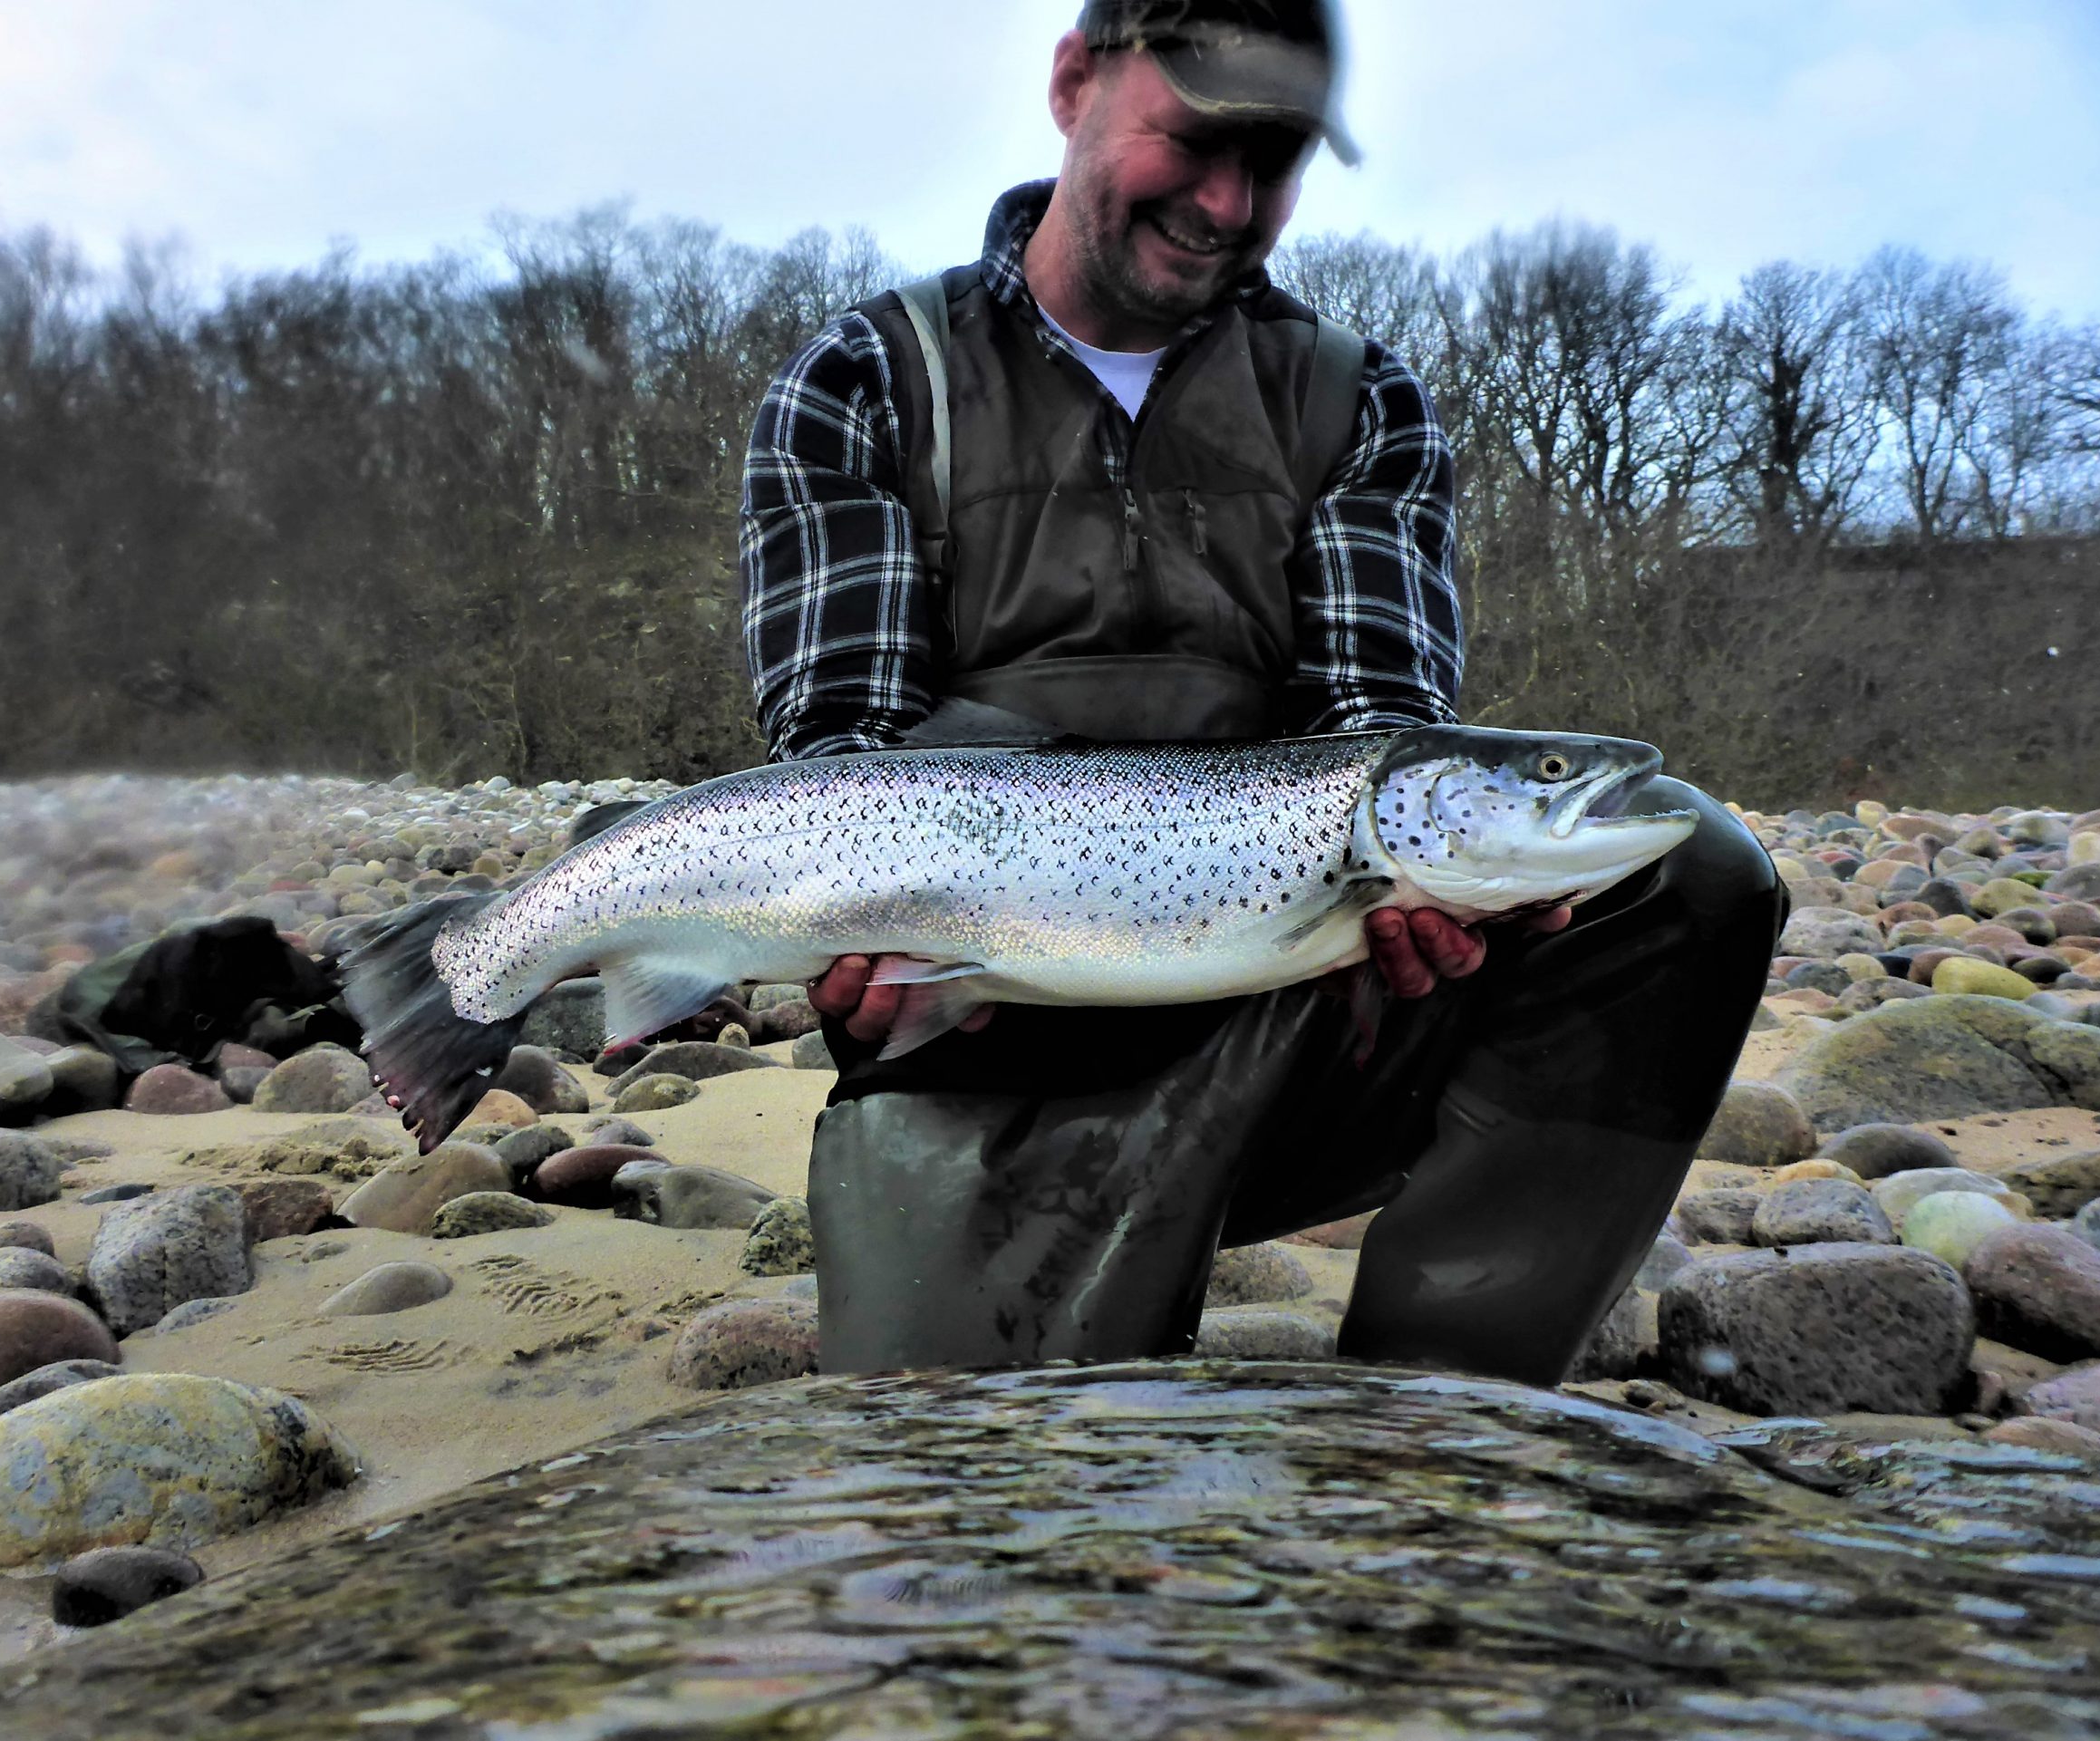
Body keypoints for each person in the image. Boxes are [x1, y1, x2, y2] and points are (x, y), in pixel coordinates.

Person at [739, 0, 1781, 1386]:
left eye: (1276, 159)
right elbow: (840, 760)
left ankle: (1439, 1408)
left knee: (1694, 872)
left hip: (1293, 1017)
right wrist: (863, 962)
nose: (1231, 203)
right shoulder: (864, 381)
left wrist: (1445, 905)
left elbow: (1378, 727)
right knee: (974, 1501)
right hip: (982, 1048)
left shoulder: (1359, 401)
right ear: (1074, 82)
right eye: (1199, 141)